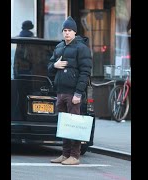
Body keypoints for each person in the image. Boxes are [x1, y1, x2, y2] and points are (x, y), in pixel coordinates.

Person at [47, 16, 92, 165]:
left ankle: (75, 155)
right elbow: (49, 68)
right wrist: (55, 66)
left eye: (69, 30)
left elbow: (85, 72)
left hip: (73, 94)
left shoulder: (82, 48)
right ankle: (65, 154)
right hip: (60, 92)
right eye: (65, 30)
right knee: (64, 125)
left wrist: (78, 93)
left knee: (74, 126)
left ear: (75, 32)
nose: (66, 33)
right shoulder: (59, 47)